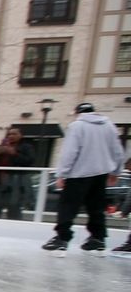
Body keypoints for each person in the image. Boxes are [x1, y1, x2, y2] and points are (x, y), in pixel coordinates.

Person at [41, 102, 126, 257]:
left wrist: (62, 174)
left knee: (68, 207)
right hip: (101, 174)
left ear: (78, 112)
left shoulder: (77, 126)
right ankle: (98, 238)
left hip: (78, 174)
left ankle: (62, 239)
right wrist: (116, 171)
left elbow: (70, 152)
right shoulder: (109, 126)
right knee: (96, 208)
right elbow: (118, 151)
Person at [0, 128, 34, 221]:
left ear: (21, 135)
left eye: (14, 134)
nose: (11, 136)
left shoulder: (26, 147)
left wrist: (14, 153)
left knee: (14, 207)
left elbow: (29, 161)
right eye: (9, 134)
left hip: (16, 181)